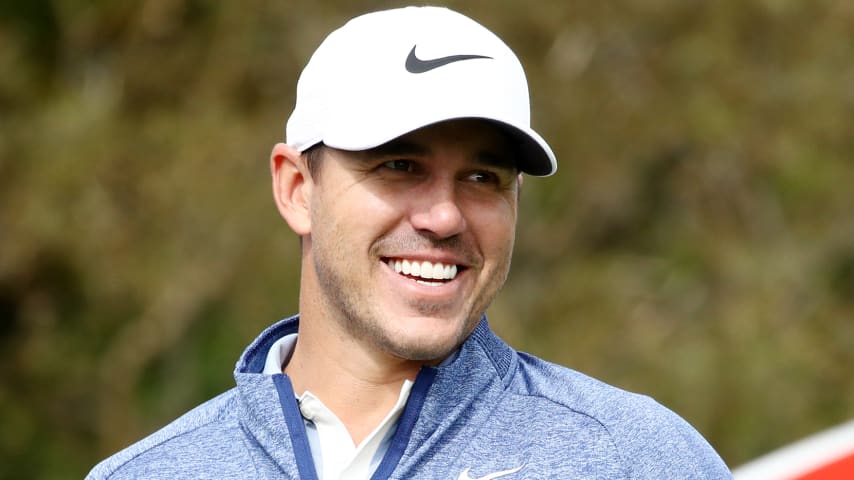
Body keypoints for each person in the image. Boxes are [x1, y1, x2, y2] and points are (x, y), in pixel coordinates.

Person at [87, 6, 731, 479]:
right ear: (295, 188)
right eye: (398, 166)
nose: (445, 216)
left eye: (483, 177)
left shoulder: (631, 456)